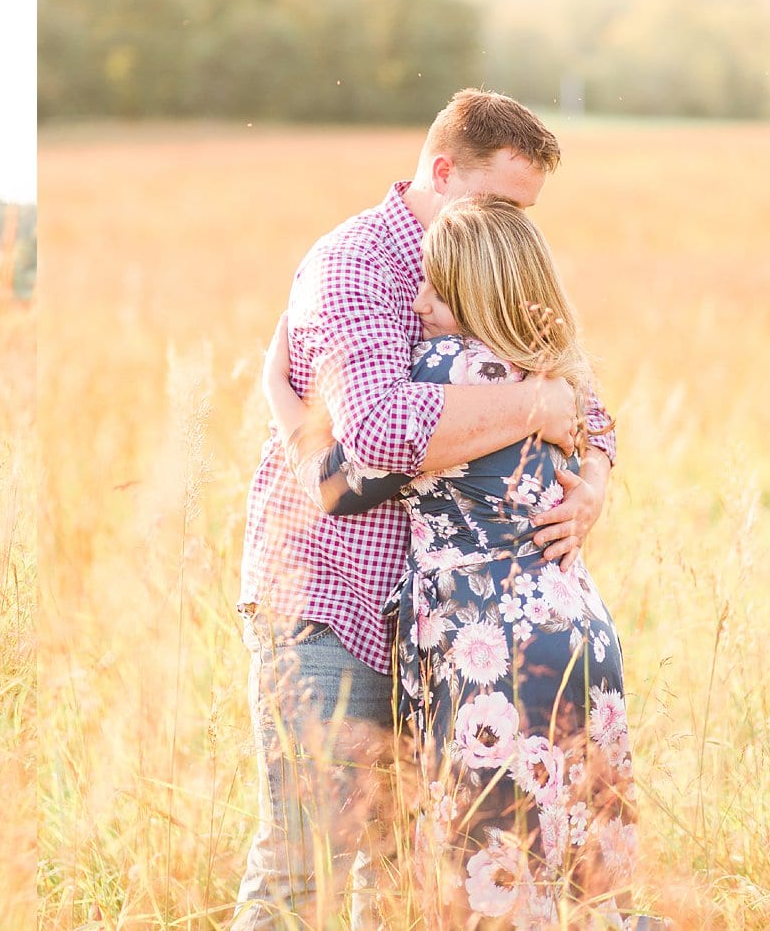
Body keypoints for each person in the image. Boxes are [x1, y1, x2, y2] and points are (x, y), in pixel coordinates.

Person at [233, 89, 618, 930]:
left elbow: (584, 400)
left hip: (448, 634)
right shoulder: (357, 266)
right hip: (334, 603)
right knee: (306, 862)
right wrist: (529, 408)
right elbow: (373, 434)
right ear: (442, 172)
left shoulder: (484, 255)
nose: (519, 226)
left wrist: (591, 484)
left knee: (406, 876)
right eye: (503, 203)